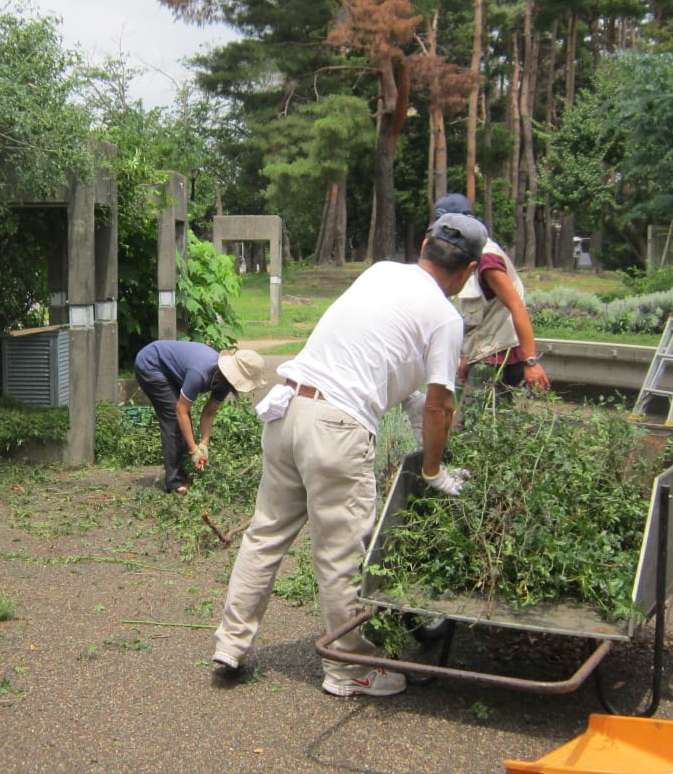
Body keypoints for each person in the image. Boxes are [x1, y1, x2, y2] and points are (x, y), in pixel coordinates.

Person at [212, 212, 485, 697]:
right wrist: (434, 468)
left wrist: (426, 411)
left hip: (288, 408)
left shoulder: (380, 272)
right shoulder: (446, 318)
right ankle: (348, 668)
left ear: (423, 245)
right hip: (337, 430)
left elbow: (383, 365)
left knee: (265, 536)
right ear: (469, 271)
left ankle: (230, 645)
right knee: (340, 555)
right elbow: (440, 405)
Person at [432, 193, 550, 397]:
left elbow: (517, 306)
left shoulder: (487, 259)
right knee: (490, 422)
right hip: (484, 354)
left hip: (498, 357)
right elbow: (478, 318)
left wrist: (531, 361)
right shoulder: (469, 254)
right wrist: (466, 358)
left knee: (472, 423)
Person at [133, 341, 269, 494]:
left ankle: (182, 471)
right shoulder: (200, 373)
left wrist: (204, 443)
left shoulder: (224, 383)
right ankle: (174, 481)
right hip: (151, 364)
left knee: (182, 422)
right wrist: (193, 450)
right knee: (173, 418)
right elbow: (181, 411)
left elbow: (209, 412)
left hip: (172, 372)